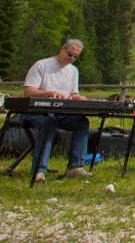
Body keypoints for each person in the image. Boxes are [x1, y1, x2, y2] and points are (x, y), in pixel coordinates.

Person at [22, 39, 93, 183]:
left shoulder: (73, 71)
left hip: (58, 111)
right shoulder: (42, 65)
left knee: (82, 122)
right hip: (35, 111)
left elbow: (72, 93)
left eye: (75, 57)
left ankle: (75, 166)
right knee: (50, 122)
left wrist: (76, 97)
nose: (71, 58)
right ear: (62, 49)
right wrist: (48, 93)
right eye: (70, 54)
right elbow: (28, 91)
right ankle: (39, 170)